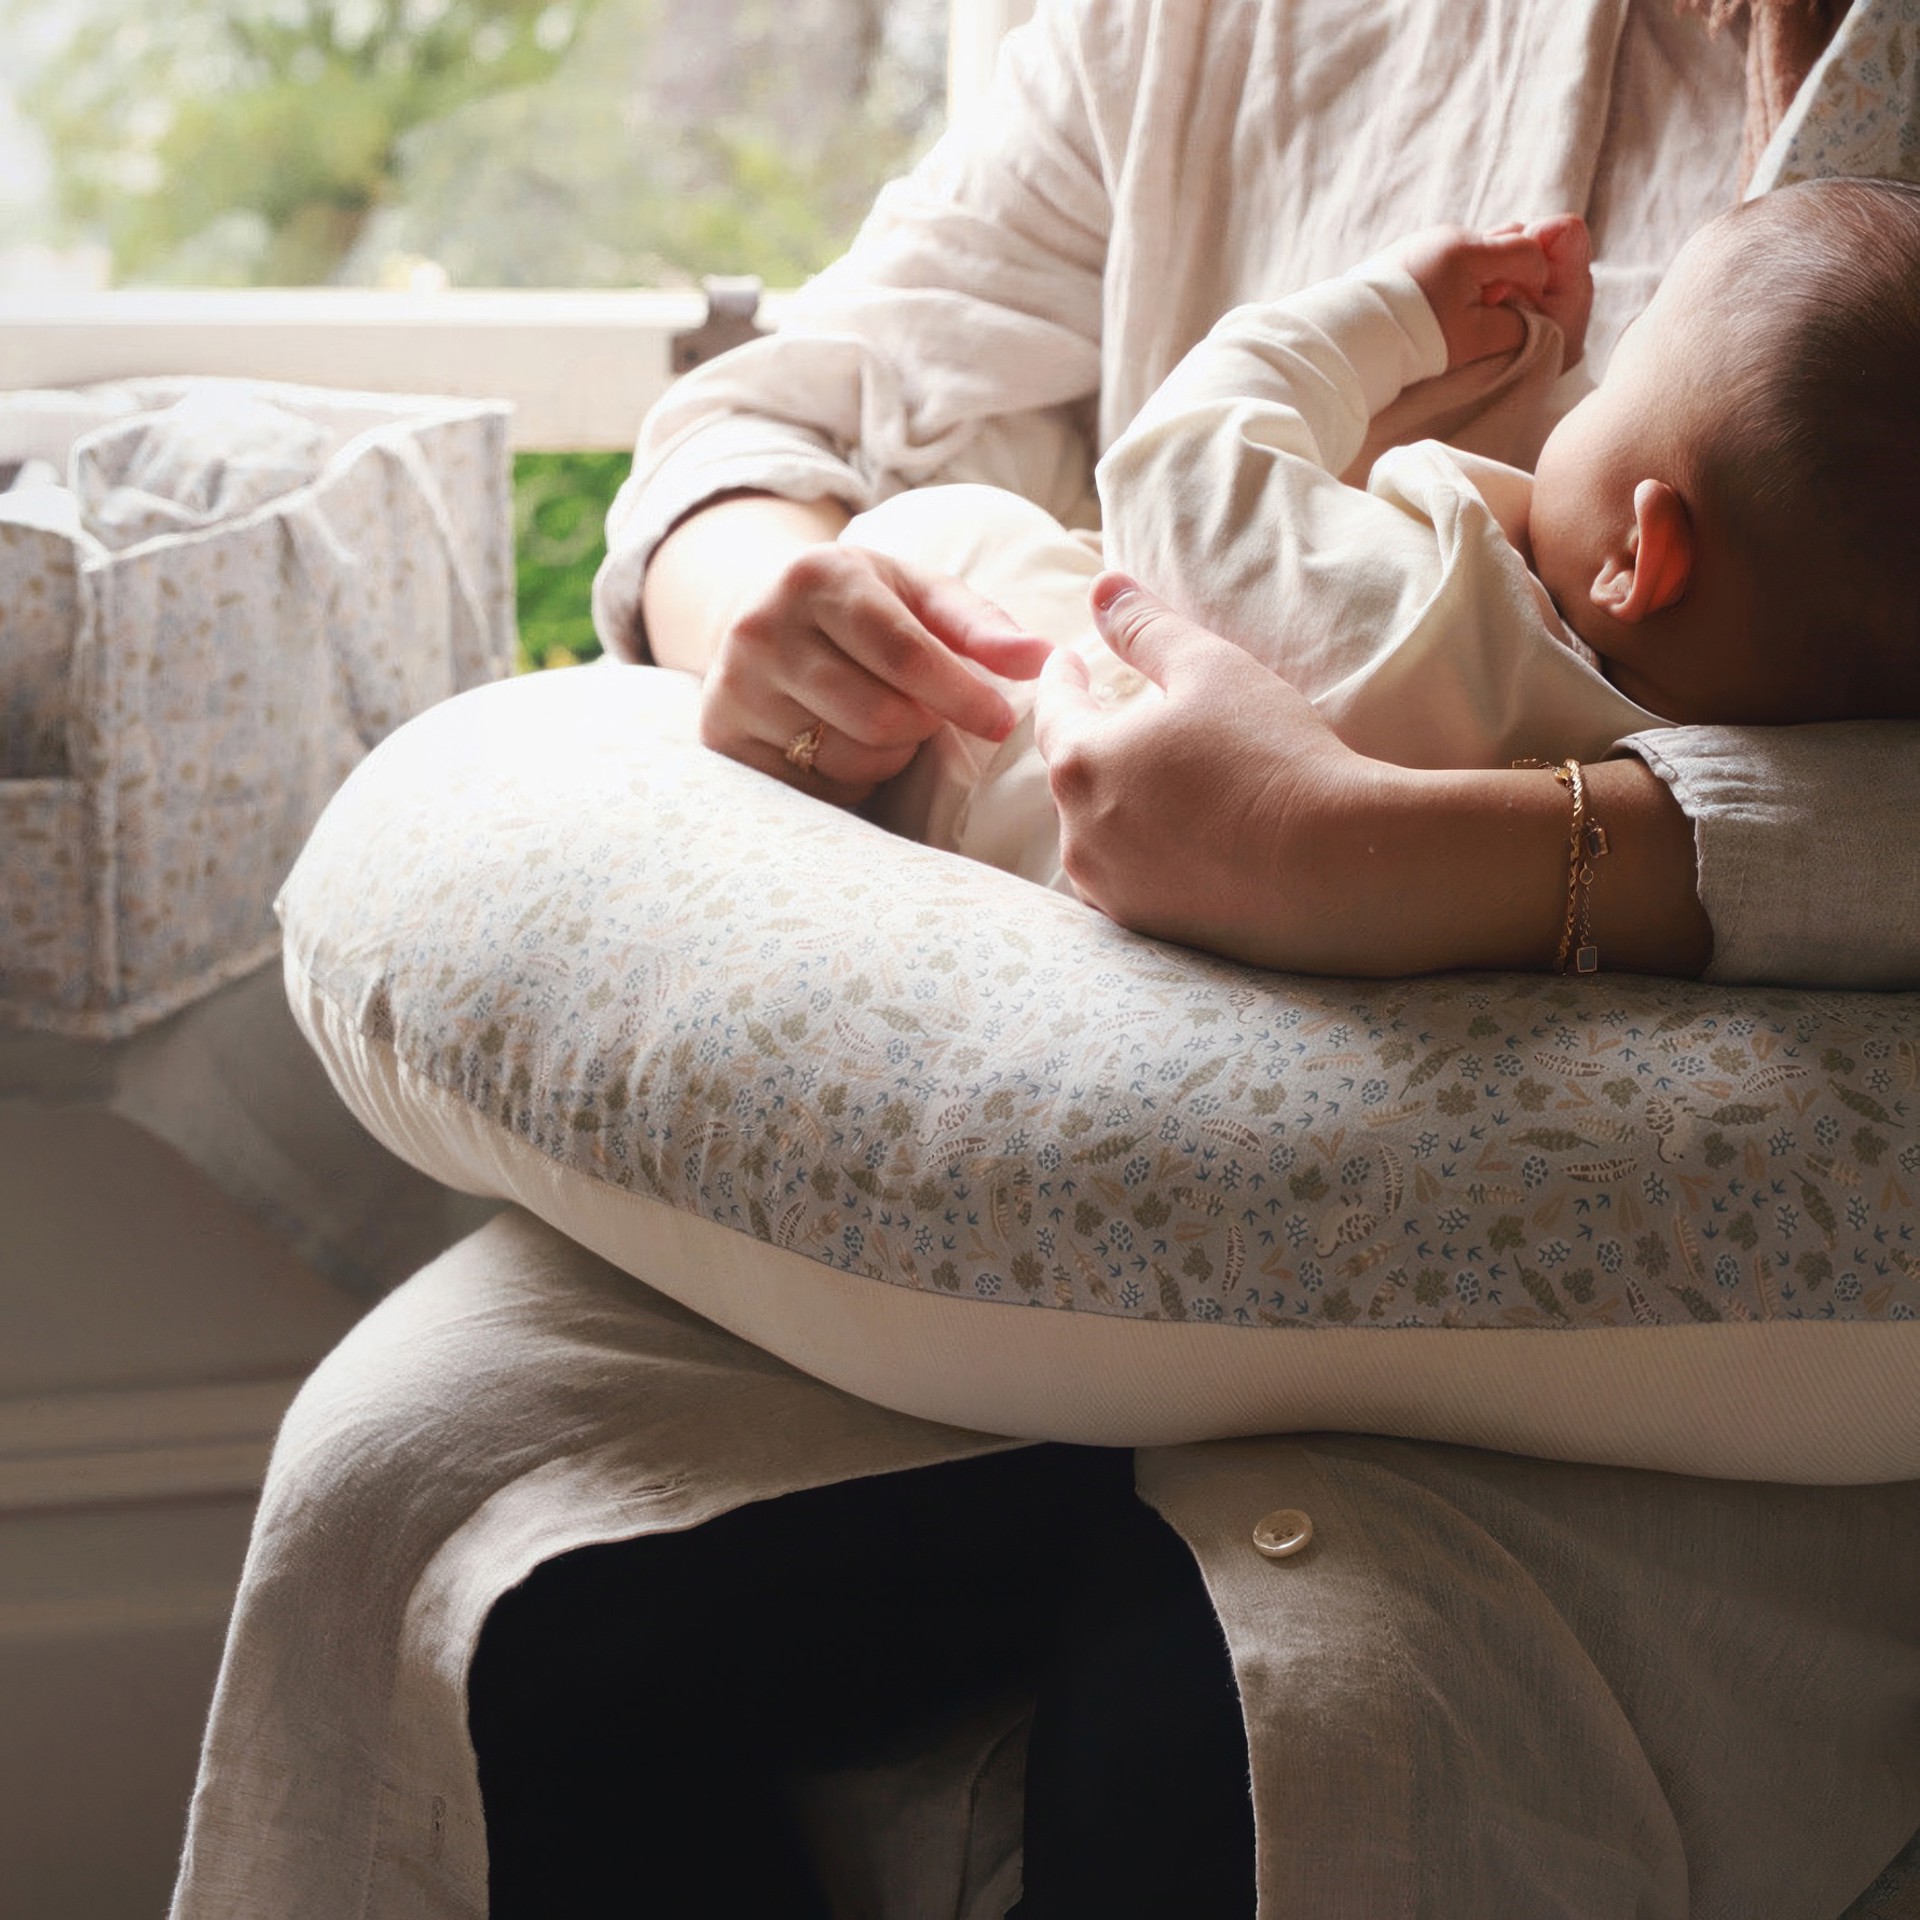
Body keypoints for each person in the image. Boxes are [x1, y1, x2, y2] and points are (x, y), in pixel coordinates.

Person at [167, 6, 1920, 1919]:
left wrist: (1405, 858)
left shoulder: (1446, 570)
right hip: (1081, 1122)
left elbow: (1200, 462)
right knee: (435, 1504)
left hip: (1624, 1365)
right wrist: (767, 604)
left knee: (1266, 1706)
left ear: (1638, 548)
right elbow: (784, 417)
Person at [842, 178, 1920, 900]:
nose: (1584, 393)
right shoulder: (1697, 784)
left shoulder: (1422, 617)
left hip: (985, 781)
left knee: (963, 527)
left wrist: (1390, 317)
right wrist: (1525, 372)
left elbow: (1172, 472)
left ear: (1640, 559)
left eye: (1617, 376)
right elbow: (1535, 549)